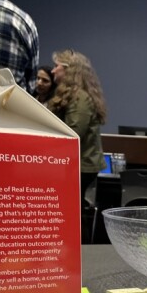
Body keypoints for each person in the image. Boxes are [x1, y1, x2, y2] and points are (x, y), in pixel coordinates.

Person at [46, 50, 107, 216]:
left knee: (71, 210)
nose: (53, 71)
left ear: (69, 69)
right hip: (76, 164)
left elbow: (73, 134)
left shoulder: (80, 98)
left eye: (56, 66)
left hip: (81, 166)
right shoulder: (73, 96)